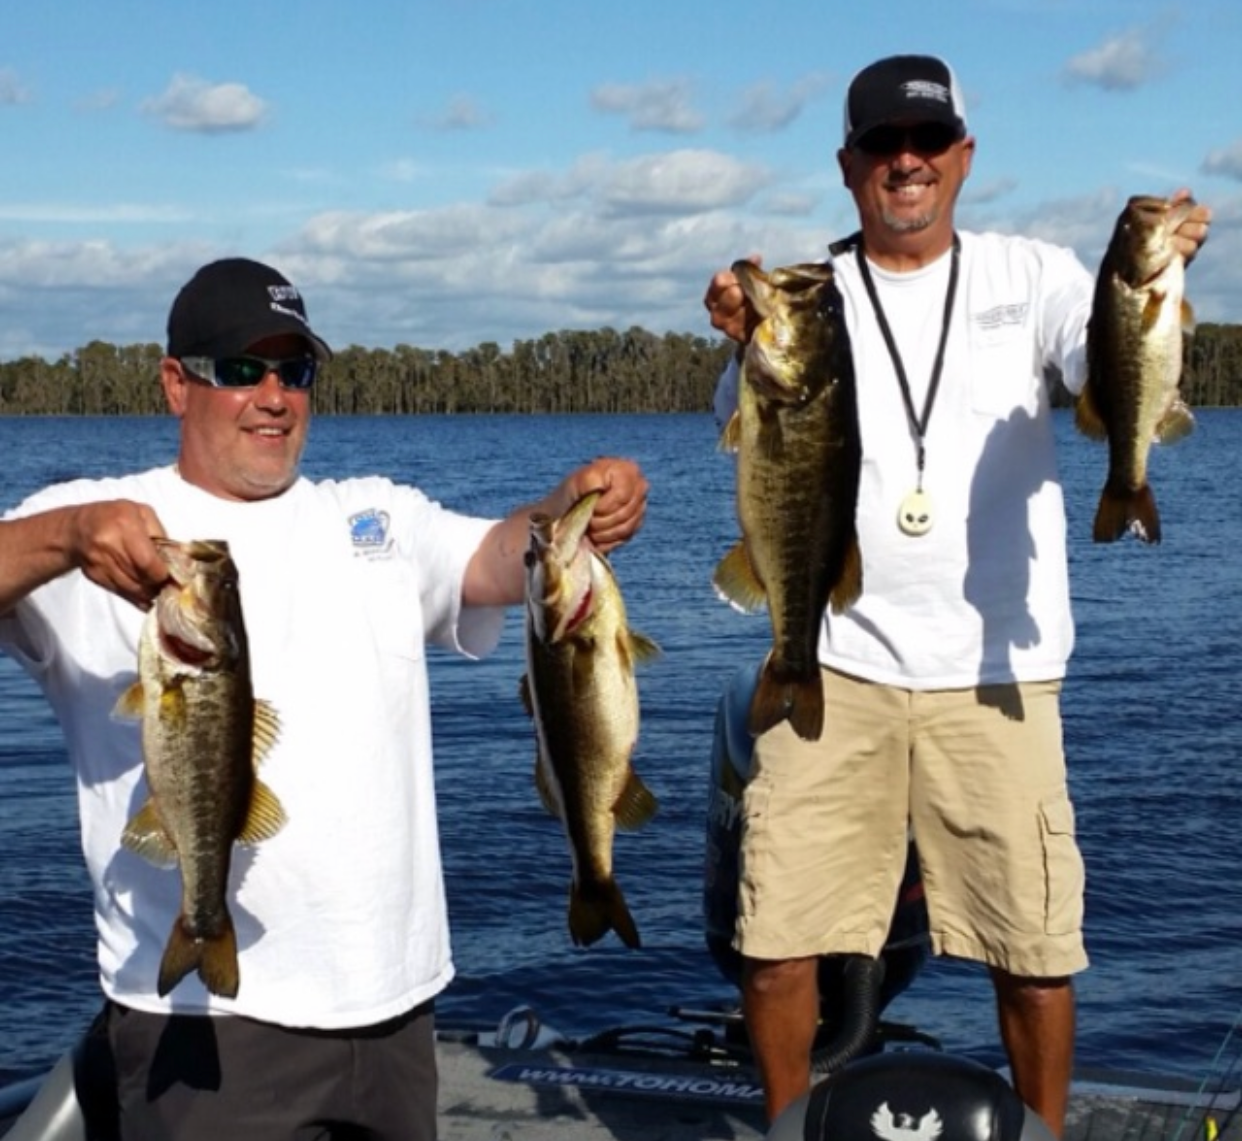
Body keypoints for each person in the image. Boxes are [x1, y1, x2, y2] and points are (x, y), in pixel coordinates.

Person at [0, 257, 649, 1140]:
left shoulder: (374, 516)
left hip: (395, 1011)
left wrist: (569, 504)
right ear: (175, 385)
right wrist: (64, 537)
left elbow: (504, 555)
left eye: (294, 371)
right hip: (207, 1023)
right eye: (241, 369)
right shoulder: (99, 522)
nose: (273, 395)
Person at [702, 54, 1212, 1137]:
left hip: (998, 678)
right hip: (835, 659)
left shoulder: (1034, 276)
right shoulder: (805, 297)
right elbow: (743, 428)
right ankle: (791, 1124)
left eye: (928, 143)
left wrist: (1156, 287)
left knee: (1035, 951)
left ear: (964, 158)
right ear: (847, 166)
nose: (907, 162)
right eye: (884, 144)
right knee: (777, 936)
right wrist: (742, 334)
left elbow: (1101, 367)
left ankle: (1048, 1130)